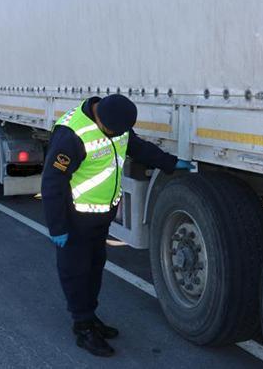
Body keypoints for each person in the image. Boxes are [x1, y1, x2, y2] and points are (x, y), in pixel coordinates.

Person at [41, 94, 194, 357]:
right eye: (113, 132)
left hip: (100, 218)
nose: (118, 136)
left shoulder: (116, 123)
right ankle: (82, 327)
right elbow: (52, 182)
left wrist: (170, 163)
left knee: (94, 268)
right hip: (75, 220)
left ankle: (91, 317)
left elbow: (138, 147)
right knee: (76, 273)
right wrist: (57, 227)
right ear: (101, 119)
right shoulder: (72, 134)